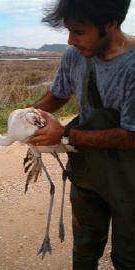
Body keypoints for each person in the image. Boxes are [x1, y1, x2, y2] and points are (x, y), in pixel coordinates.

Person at [28, 0, 135, 269]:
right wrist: (27, 115)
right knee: (85, 249)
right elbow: (58, 94)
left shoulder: (132, 67)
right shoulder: (75, 55)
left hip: (130, 180)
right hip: (87, 174)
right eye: (68, 31)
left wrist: (64, 134)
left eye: (78, 31)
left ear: (111, 24)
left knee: (128, 256)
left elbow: (131, 136)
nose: (70, 40)